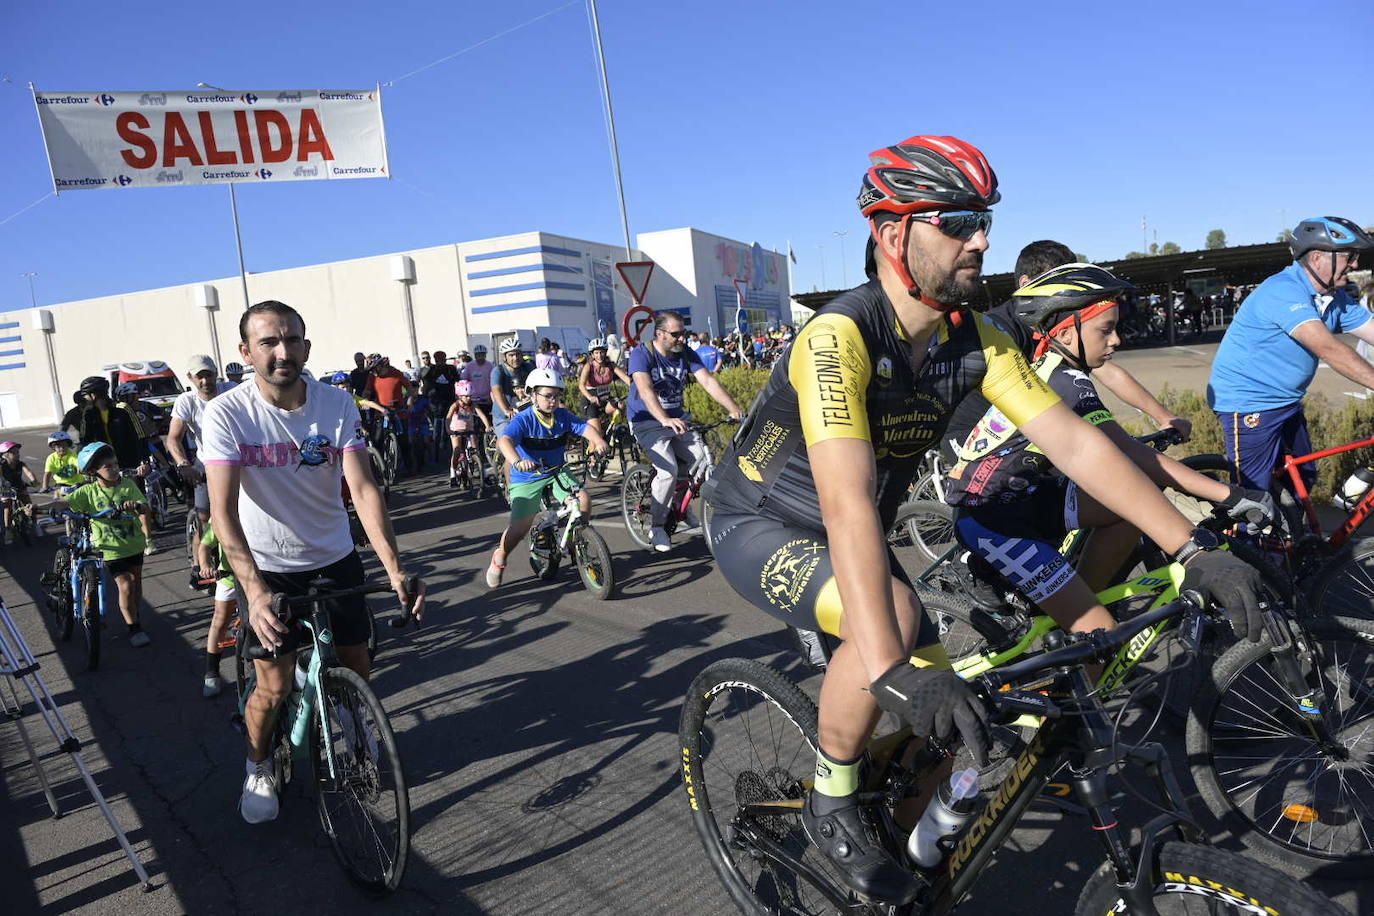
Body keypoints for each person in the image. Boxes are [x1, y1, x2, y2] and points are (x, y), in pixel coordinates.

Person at [704, 134, 1265, 904]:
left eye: (985, 218)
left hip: (854, 531)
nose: (982, 238)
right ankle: (830, 798)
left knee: (964, 726)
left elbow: (1078, 445)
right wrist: (889, 666)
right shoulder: (839, 335)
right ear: (892, 232)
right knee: (893, 625)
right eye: (959, 219)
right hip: (760, 522)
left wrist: (1192, 546)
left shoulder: (978, 338)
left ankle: (903, 840)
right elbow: (842, 499)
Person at [945, 264, 1274, 636]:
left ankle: (1077, 606)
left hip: (1023, 496)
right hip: (992, 517)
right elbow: (1131, 454)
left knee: (1127, 511)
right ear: (1067, 333)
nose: (1116, 339)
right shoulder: (1066, 381)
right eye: (1106, 330)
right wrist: (1229, 494)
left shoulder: (1054, 367)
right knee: (1103, 636)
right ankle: (1081, 641)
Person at [202, 300, 423, 825]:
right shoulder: (227, 413)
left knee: (357, 666)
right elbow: (223, 511)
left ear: (307, 344)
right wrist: (253, 594)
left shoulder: (336, 403)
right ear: (245, 352)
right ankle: (257, 764)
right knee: (274, 685)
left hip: (334, 556)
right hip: (268, 566)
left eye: (292, 340)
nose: (283, 352)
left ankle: (355, 716)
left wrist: (394, 569)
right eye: (268, 343)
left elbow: (364, 489)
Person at [940, 239, 1192, 463]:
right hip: (970, 434)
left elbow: (1107, 371)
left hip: (1024, 428)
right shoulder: (1000, 328)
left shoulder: (1058, 324)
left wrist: (1164, 416)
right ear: (1026, 284)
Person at [1207, 216, 1374, 492]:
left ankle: (1291, 535)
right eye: (1349, 256)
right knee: (1253, 496)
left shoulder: (1334, 297)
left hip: (1287, 401)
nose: (1355, 264)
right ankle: (1238, 535)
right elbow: (1329, 349)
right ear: (1318, 257)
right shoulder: (1284, 291)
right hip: (1248, 402)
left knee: (1302, 478)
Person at [629, 311, 743, 552]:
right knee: (668, 470)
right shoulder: (642, 354)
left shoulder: (685, 354)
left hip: (677, 419)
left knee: (700, 460)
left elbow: (708, 381)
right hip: (647, 422)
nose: (682, 339)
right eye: (676, 334)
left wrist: (734, 408)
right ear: (659, 334)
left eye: (684, 334)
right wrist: (664, 419)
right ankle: (658, 527)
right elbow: (646, 389)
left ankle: (681, 504)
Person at [484, 368, 607, 588]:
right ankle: (500, 557)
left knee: (583, 500)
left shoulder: (562, 415)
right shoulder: (524, 419)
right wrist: (517, 461)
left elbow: (584, 428)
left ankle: (576, 541)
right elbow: (504, 442)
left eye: (557, 396)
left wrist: (597, 441)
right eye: (548, 396)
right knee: (519, 529)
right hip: (527, 477)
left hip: (557, 470)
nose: (553, 401)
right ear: (533, 396)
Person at [62, 442, 152, 647]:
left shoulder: (127, 485)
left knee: (136, 584)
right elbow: (65, 502)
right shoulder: (88, 492)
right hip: (111, 549)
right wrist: (39, 506)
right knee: (126, 584)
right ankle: (134, 628)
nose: (115, 469)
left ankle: (134, 615)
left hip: (133, 544)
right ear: (95, 472)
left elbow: (145, 508)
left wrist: (136, 506)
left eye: (115, 464)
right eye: (108, 466)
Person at [168, 355, 223, 579]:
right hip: (206, 462)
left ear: (215, 374)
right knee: (204, 516)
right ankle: (199, 563)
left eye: (209, 374)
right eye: (200, 376)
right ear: (190, 377)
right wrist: (184, 464)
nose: (205, 381)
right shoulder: (187, 401)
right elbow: (173, 438)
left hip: (235, 460)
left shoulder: (231, 390)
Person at [199, 519, 237, 697]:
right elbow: (205, 545)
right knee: (220, 620)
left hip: (260, 577)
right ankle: (211, 671)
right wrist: (205, 565)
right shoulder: (221, 512)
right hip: (230, 578)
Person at [578, 338, 631, 432]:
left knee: (620, 404)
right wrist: (590, 397)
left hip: (605, 398)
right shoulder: (588, 366)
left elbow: (626, 379)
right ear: (592, 354)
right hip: (591, 401)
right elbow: (581, 385)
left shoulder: (611, 365)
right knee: (597, 433)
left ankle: (614, 432)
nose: (599, 355)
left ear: (605, 352)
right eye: (596, 353)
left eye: (602, 352)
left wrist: (638, 387)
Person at [445, 380, 492, 487]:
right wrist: (448, 429)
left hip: (469, 430)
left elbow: (482, 415)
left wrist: (487, 426)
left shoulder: (473, 405)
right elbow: (448, 417)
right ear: (460, 396)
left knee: (477, 451)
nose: (469, 398)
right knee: (456, 450)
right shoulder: (456, 405)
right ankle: (453, 475)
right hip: (456, 431)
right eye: (466, 396)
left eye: (470, 396)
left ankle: (483, 474)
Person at [490, 338, 533, 437]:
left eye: (518, 354)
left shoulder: (528, 367)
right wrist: (506, 410)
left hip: (526, 413)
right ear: (504, 357)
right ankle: (500, 451)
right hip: (504, 416)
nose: (515, 358)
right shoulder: (498, 371)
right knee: (506, 438)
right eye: (511, 355)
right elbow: (497, 391)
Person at [0, 441, 38, 533]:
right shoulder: (2, 465)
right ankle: (7, 529)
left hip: (19, 486)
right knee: (7, 506)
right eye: (14, 452)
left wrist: (34, 481)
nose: (17, 454)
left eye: (17, 452)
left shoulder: (20, 464)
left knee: (29, 504)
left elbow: (29, 473)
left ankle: (35, 523)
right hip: (6, 488)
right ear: (5, 455)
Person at [460, 344, 494, 416]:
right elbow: (463, 380)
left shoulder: (490, 365)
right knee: (473, 420)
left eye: (482, 355)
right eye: (478, 355)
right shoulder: (469, 366)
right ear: (475, 356)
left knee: (487, 419)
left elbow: (493, 382)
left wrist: (492, 398)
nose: (480, 357)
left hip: (487, 399)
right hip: (473, 399)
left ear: (485, 355)